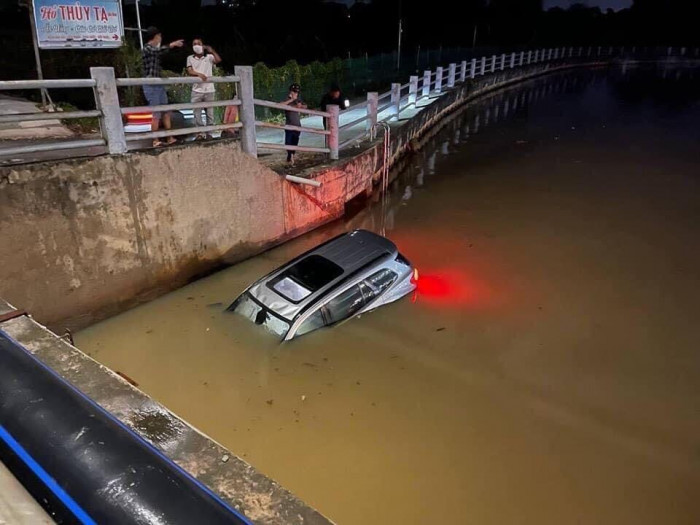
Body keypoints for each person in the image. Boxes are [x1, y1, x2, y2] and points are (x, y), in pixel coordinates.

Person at [141, 27, 184, 147]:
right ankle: (155, 140)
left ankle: (170, 138)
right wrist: (171, 45)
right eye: (159, 36)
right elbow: (158, 51)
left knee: (166, 112)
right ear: (155, 36)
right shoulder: (147, 48)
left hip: (158, 84)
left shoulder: (154, 49)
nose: (160, 39)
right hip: (150, 84)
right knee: (156, 114)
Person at [186, 37, 222, 140]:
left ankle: (209, 133)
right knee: (197, 113)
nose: (196, 45)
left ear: (203, 45)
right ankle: (200, 134)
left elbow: (218, 60)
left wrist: (211, 50)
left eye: (198, 43)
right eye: (194, 44)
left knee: (209, 113)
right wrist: (199, 74)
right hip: (197, 89)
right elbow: (190, 70)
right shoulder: (190, 58)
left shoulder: (209, 57)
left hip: (209, 90)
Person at [280, 83, 307, 166]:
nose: (296, 94)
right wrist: (291, 100)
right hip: (289, 125)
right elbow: (280, 105)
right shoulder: (287, 99)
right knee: (288, 142)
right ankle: (290, 156)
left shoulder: (298, 100)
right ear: (290, 91)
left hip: (297, 125)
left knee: (295, 141)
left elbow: (305, 106)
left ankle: (291, 156)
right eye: (294, 92)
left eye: (297, 92)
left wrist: (301, 106)